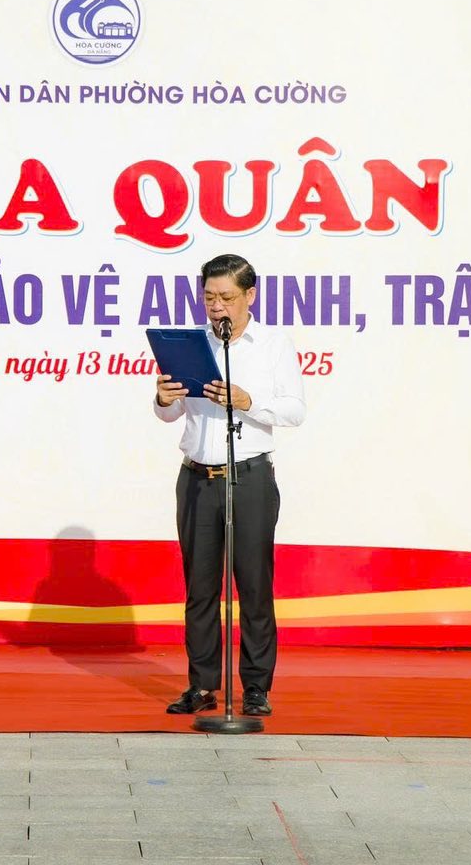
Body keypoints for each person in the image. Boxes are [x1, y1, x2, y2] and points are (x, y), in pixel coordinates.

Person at [152, 253, 305, 716]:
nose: (216, 306)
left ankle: (256, 687)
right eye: (209, 297)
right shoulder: (193, 343)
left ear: (249, 295)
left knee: (253, 586)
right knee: (200, 588)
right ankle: (201, 685)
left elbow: (295, 410)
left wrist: (247, 400)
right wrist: (163, 397)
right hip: (197, 478)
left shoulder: (273, 344)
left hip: (249, 477)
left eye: (226, 297)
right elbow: (169, 414)